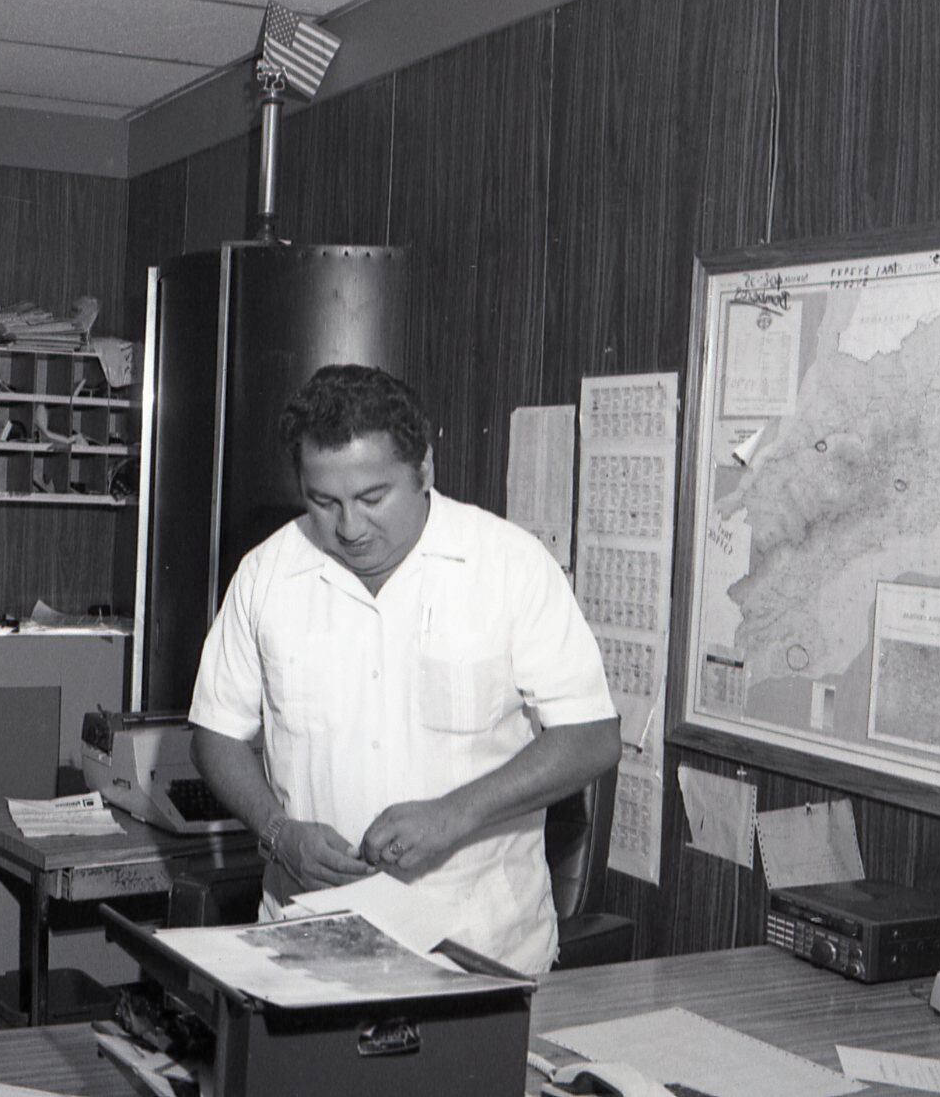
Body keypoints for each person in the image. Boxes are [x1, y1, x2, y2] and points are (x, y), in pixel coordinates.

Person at [189, 364, 619, 973]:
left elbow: (592, 738)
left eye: (371, 498)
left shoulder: (510, 566)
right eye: (323, 501)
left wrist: (456, 813)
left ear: (424, 472)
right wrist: (278, 833)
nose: (349, 527)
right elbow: (215, 734)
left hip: (480, 949)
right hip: (310, 943)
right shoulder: (267, 574)